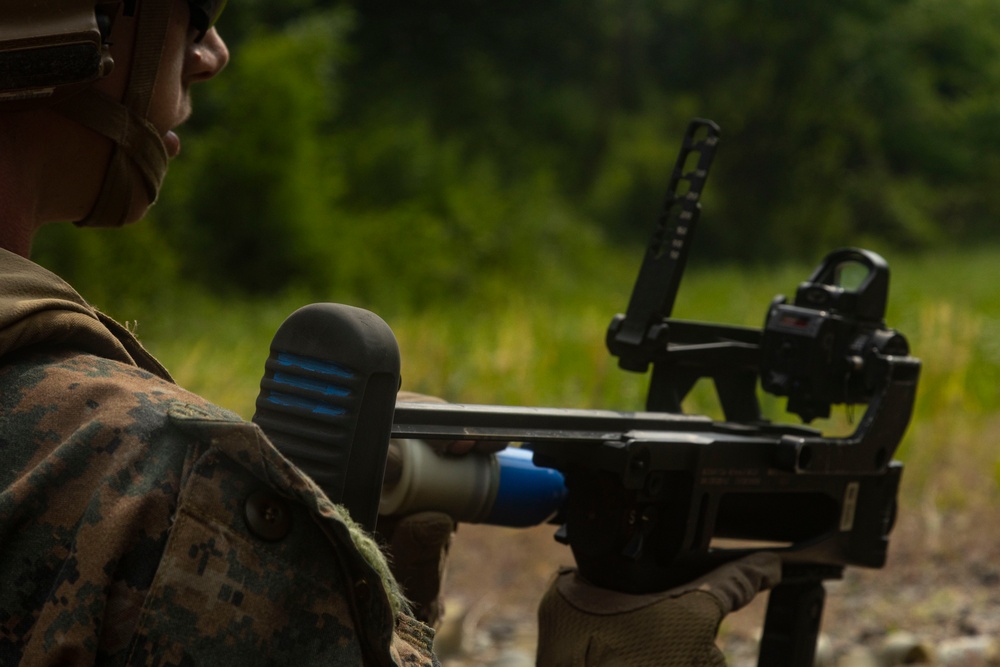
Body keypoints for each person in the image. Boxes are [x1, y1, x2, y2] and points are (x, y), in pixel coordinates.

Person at [0, 1, 779, 665]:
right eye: (194, 11)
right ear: (64, 18)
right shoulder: (135, 480)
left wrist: (345, 563)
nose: (211, 53)